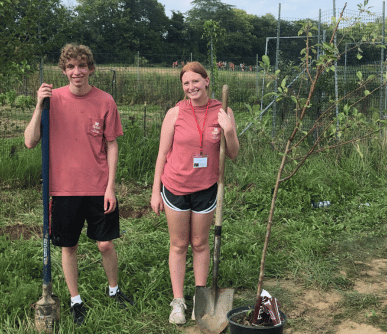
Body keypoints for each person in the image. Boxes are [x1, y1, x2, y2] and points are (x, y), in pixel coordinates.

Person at [24, 44, 134, 326]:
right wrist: (39, 104)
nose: (77, 72)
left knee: (106, 244)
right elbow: (30, 140)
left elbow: (111, 144)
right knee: (68, 247)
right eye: (71, 67)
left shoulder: (105, 101)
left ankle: (114, 290)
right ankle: (75, 300)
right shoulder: (52, 99)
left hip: (98, 186)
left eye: (82, 66)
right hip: (63, 189)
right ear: (63, 71)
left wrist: (110, 187)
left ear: (91, 68)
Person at [150, 61, 240, 325]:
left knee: (200, 244)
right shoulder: (174, 114)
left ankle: (200, 300)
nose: (191, 87)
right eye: (186, 83)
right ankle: (178, 301)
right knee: (179, 244)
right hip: (175, 187)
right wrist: (155, 191)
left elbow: (233, 154)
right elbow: (162, 154)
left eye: (195, 82)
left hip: (207, 188)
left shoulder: (223, 111)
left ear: (207, 81)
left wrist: (230, 130)